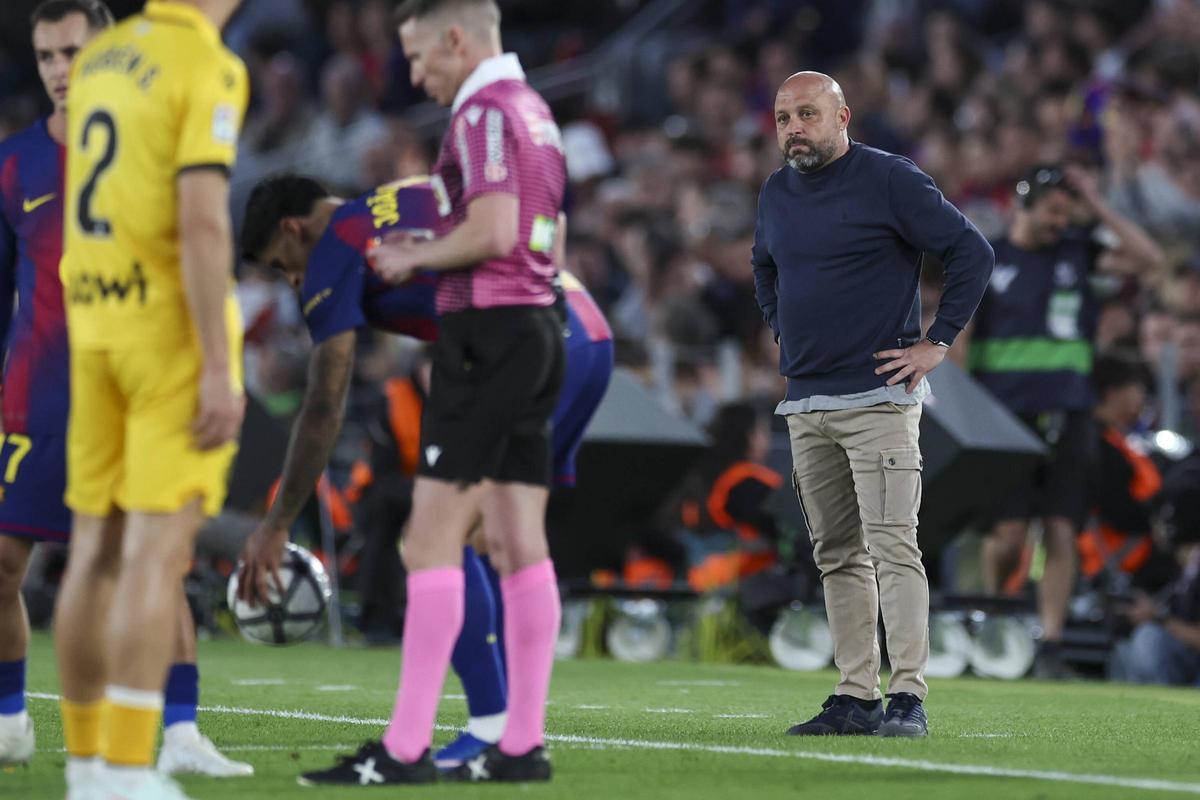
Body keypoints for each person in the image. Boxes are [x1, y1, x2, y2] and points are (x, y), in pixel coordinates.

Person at [0, 1, 250, 780]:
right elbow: (203, 223)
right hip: (93, 366)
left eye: (69, 51)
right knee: (130, 554)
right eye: (46, 57)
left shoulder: (122, 84)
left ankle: (140, 745)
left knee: (119, 560)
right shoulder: (194, 64)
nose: (60, 70)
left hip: (106, 350)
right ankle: (74, 747)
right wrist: (217, 360)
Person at [752, 71, 993, 738]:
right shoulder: (776, 192)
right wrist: (781, 327)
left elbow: (971, 251)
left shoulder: (890, 179)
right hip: (806, 403)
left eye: (807, 114)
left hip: (879, 400)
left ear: (842, 116)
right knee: (836, 555)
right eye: (782, 118)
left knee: (893, 547)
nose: (793, 128)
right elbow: (763, 267)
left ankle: (909, 697)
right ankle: (856, 695)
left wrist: (936, 343)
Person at [971, 164, 1165, 678]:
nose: (1061, 220)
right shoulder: (986, 258)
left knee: (1061, 528)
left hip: (1071, 411)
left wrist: (1097, 204)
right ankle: (992, 611)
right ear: (1023, 205)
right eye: (1052, 209)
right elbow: (963, 335)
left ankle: (1050, 645)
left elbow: (1151, 261)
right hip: (1002, 416)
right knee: (1009, 535)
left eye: (1066, 210)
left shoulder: (1078, 252)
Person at [1109, 460, 1200, 686]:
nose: (1155, 529)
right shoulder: (1183, 570)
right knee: (1123, 651)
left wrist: (1157, 617)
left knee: (1149, 638)